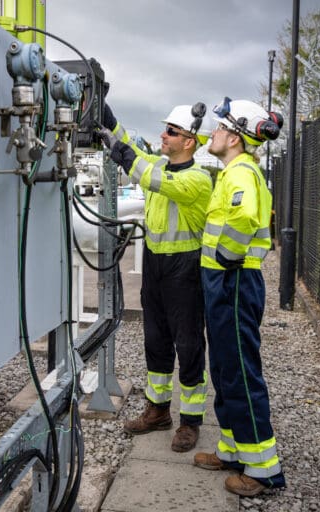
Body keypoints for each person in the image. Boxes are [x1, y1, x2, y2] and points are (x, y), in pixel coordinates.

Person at [97, 103, 213, 452]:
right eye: (165, 130)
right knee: (156, 342)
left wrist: (122, 154)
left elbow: (149, 176)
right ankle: (158, 410)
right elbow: (136, 154)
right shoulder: (161, 164)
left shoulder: (198, 179)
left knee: (189, 346)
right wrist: (108, 117)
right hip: (156, 267)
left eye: (171, 132)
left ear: (189, 141)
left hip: (185, 270)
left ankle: (190, 422)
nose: (164, 135)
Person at [192, 97, 286, 496]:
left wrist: (226, 257)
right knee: (226, 369)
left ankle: (263, 470)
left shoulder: (241, 172)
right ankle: (234, 450)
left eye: (218, 127)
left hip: (233, 283)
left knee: (241, 374)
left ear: (233, 135)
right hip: (226, 283)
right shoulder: (236, 169)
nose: (212, 133)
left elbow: (245, 217)